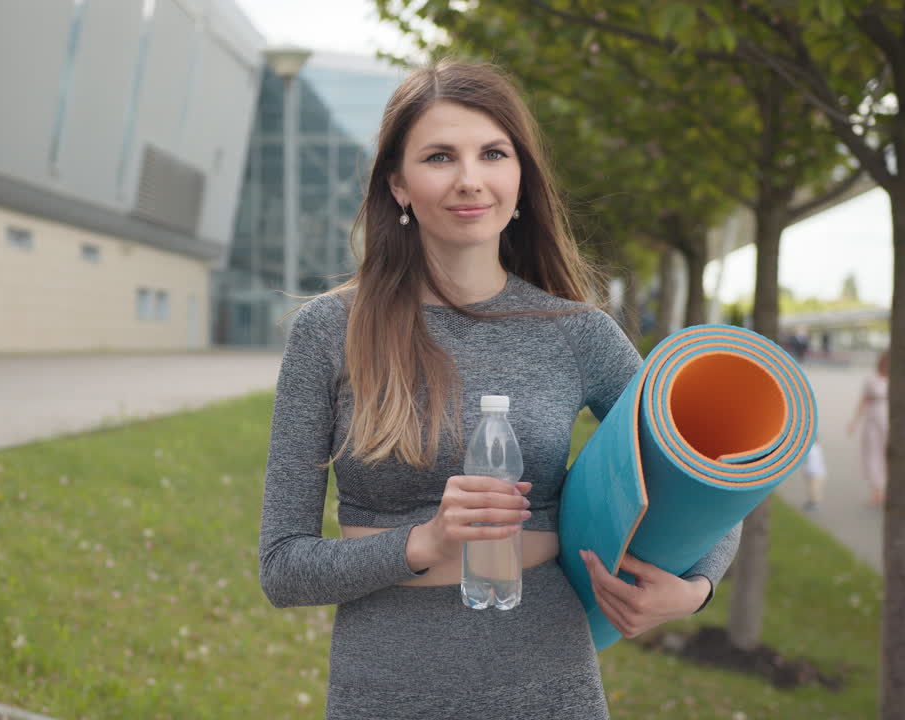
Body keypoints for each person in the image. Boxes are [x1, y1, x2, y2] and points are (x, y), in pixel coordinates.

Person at [257, 60, 740, 719]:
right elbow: (282, 568)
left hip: (549, 682)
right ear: (398, 185)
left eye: (493, 153)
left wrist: (696, 590)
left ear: (521, 178)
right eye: (438, 156)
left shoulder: (577, 332)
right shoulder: (328, 332)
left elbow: (712, 484)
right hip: (386, 687)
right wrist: (420, 543)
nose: (469, 179)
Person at [847, 350, 889, 506]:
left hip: (890, 420)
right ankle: (877, 490)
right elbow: (864, 401)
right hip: (873, 419)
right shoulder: (871, 379)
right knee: (873, 454)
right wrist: (854, 422)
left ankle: (886, 489)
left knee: (888, 455)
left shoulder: (897, 380)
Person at [801, 440, 827, 512]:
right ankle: (811, 502)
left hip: (816, 473)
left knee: (814, 489)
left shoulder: (812, 448)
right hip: (813, 472)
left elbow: (807, 459)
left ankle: (814, 504)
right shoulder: (816, 447)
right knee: (812, 489)